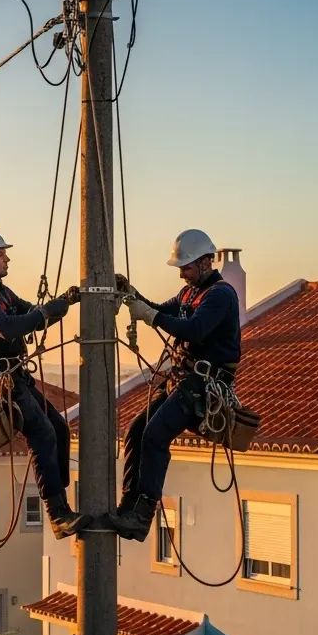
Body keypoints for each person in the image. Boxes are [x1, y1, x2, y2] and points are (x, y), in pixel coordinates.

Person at [105, 229, 242, 541]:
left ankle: (142, 515)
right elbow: (162, 309)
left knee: (155, 435)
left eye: (187, 267)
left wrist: (150, 316)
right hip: (184, 379)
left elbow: (194, 329)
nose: (182, 274)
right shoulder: (190, 294)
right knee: (137, 430)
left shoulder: (220, 295)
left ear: (207, 262)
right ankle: (129, 504)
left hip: (202, 384)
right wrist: (132, 293)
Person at [0, 227, 89, 540]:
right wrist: (48, 311)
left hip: (15, 378)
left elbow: (29, 312)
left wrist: (62, 303)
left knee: (58, 427)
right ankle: (58, 514)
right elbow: (8, 327)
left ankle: (63, 502)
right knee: (42, 434)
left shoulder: (1, 293)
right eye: (0, 254)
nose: (7, 259)